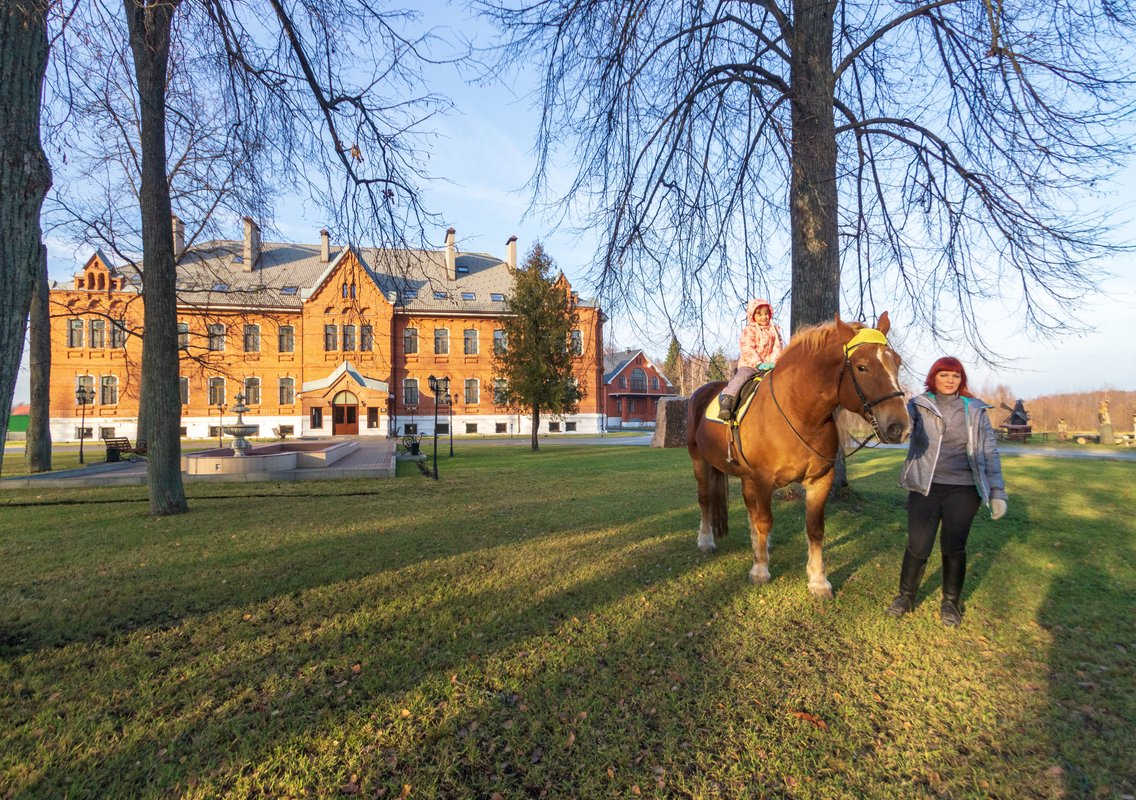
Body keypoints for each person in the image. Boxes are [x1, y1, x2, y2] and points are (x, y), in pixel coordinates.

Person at [887, 356, 1008, 626]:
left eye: (955, 376)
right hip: (925, 487)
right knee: (918, 546)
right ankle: (905, 597)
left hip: (964, 490)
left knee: (954, 547)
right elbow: (902, 431)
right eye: (944, 375)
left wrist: (997, 491)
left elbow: (989, 451)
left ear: (961, 379)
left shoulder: (975, 410)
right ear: (934, 378)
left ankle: (951, 603)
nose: (950, 380)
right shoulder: (918, 405)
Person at [717, 298, 784, 421]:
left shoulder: (774, 330)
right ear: (752, 316)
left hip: (771, 366)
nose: (764, 317)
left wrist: (774, 363)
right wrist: (758, 364)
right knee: (741, 377)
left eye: (766, 314)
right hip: (751, 365)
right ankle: (727, 400)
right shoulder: (749, 330)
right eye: (760, 314)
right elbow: (747, 348)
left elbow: (777, 347)